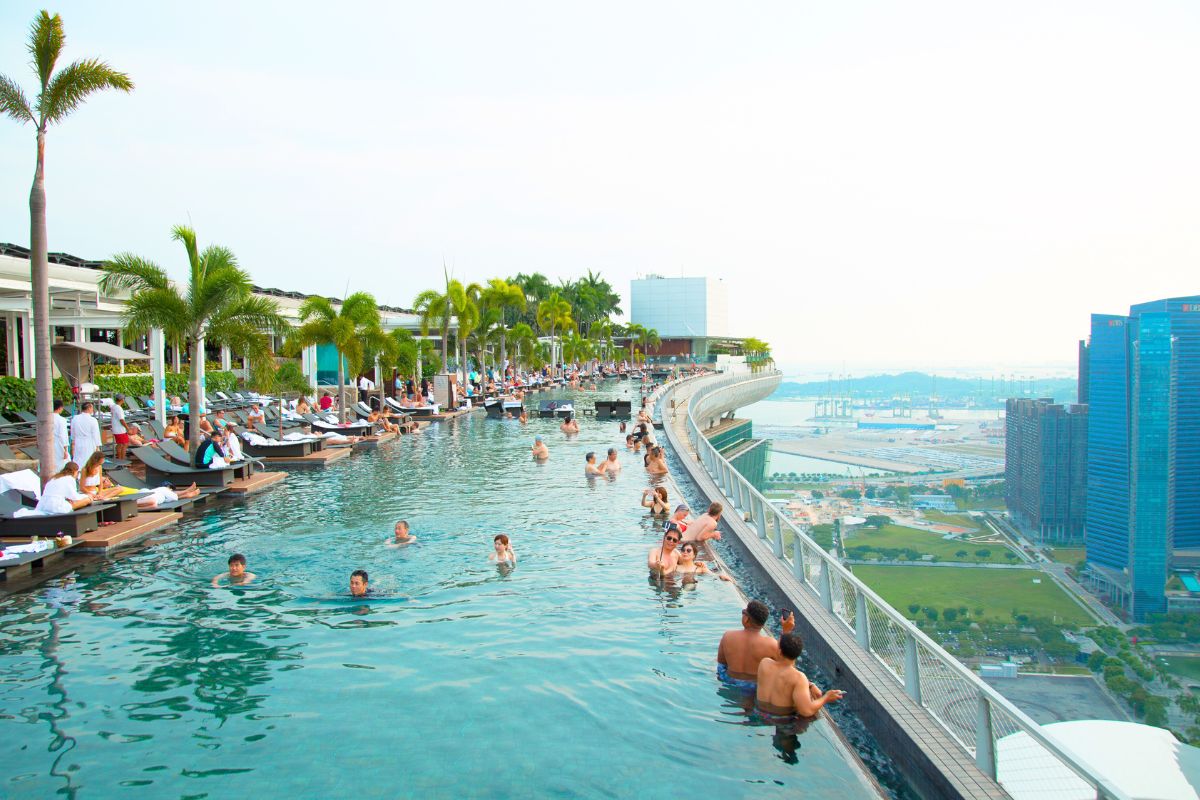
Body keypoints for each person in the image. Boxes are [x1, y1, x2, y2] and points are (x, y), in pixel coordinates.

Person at [757, 633, 844, 717]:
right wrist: (826, 697)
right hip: (782, 722)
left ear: (780, 651)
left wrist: (809, 685)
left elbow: (785, 670)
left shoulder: (764, 663)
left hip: (760, 714)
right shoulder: (798, 678)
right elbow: (806, 711)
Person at [716, 601, 796, 689]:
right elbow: (788, 669)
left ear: (746, 619)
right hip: (754, 688)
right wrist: (786, 631)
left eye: (743, 612)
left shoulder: (728, 637)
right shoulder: (771, 644)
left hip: (729, 682)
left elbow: (721, 665)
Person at [69, 401, 102, 466]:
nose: (93, 410)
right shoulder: (93, 420)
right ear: (89, 408)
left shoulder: (75, 418)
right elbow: (96, 434)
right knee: (89, 460)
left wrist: (73, 443)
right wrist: (97, 446)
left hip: (78, 442)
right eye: (92, 408)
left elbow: (72, 432)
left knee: (79, 460)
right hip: (89, 442)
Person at [108, 394, 129, 461]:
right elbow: (121, 420)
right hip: (120, 430)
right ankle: (122, 460)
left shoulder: (114, 406)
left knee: (120, 444)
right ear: (122, 400)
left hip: (116, 429)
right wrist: (127, 428)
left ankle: (120, 459)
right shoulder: (118, 408)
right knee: (124, 444)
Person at [52, 398, 70, 472]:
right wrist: (65, 450)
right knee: (62, 465)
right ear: (60, 408)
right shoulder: (61, 420)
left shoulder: (45, 418)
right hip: (58, 444)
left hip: (47, 444)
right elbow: (63, 435)